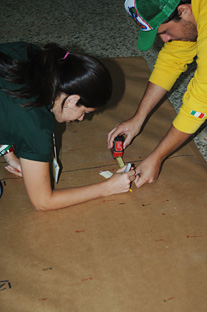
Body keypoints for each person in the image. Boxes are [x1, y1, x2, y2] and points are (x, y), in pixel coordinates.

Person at [0, 42, 135, 210]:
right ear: (72, 100)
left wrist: (9, 155)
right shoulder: (37, 126)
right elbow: (43, 201)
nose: (81, 119)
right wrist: (107, 188)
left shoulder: (32, 56)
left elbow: (5, 108)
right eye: (84, 111)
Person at [108, 0, 207, 188]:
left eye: (165, 32)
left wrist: (157, 157)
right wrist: (138, 118)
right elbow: (172, 60)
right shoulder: (193, 10)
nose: (165, 39)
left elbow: (201, 100)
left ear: (184, 10)